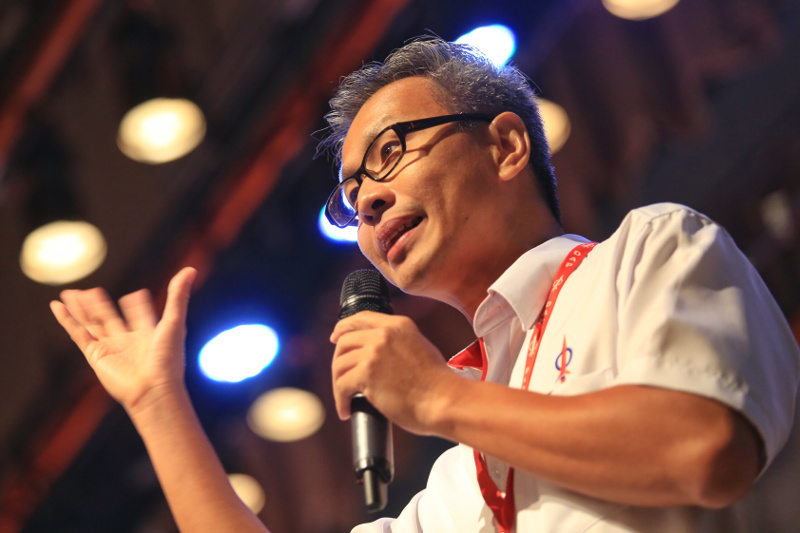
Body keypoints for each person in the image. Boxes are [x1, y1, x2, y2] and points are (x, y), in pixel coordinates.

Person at [50, 37, 799, 532]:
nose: (368, 202)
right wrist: (158, 405)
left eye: (390, 152)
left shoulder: (647, 251)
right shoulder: (459, 480)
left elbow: (704, 444)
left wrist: (441, 398)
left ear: (505, 146)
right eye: (351, 195)